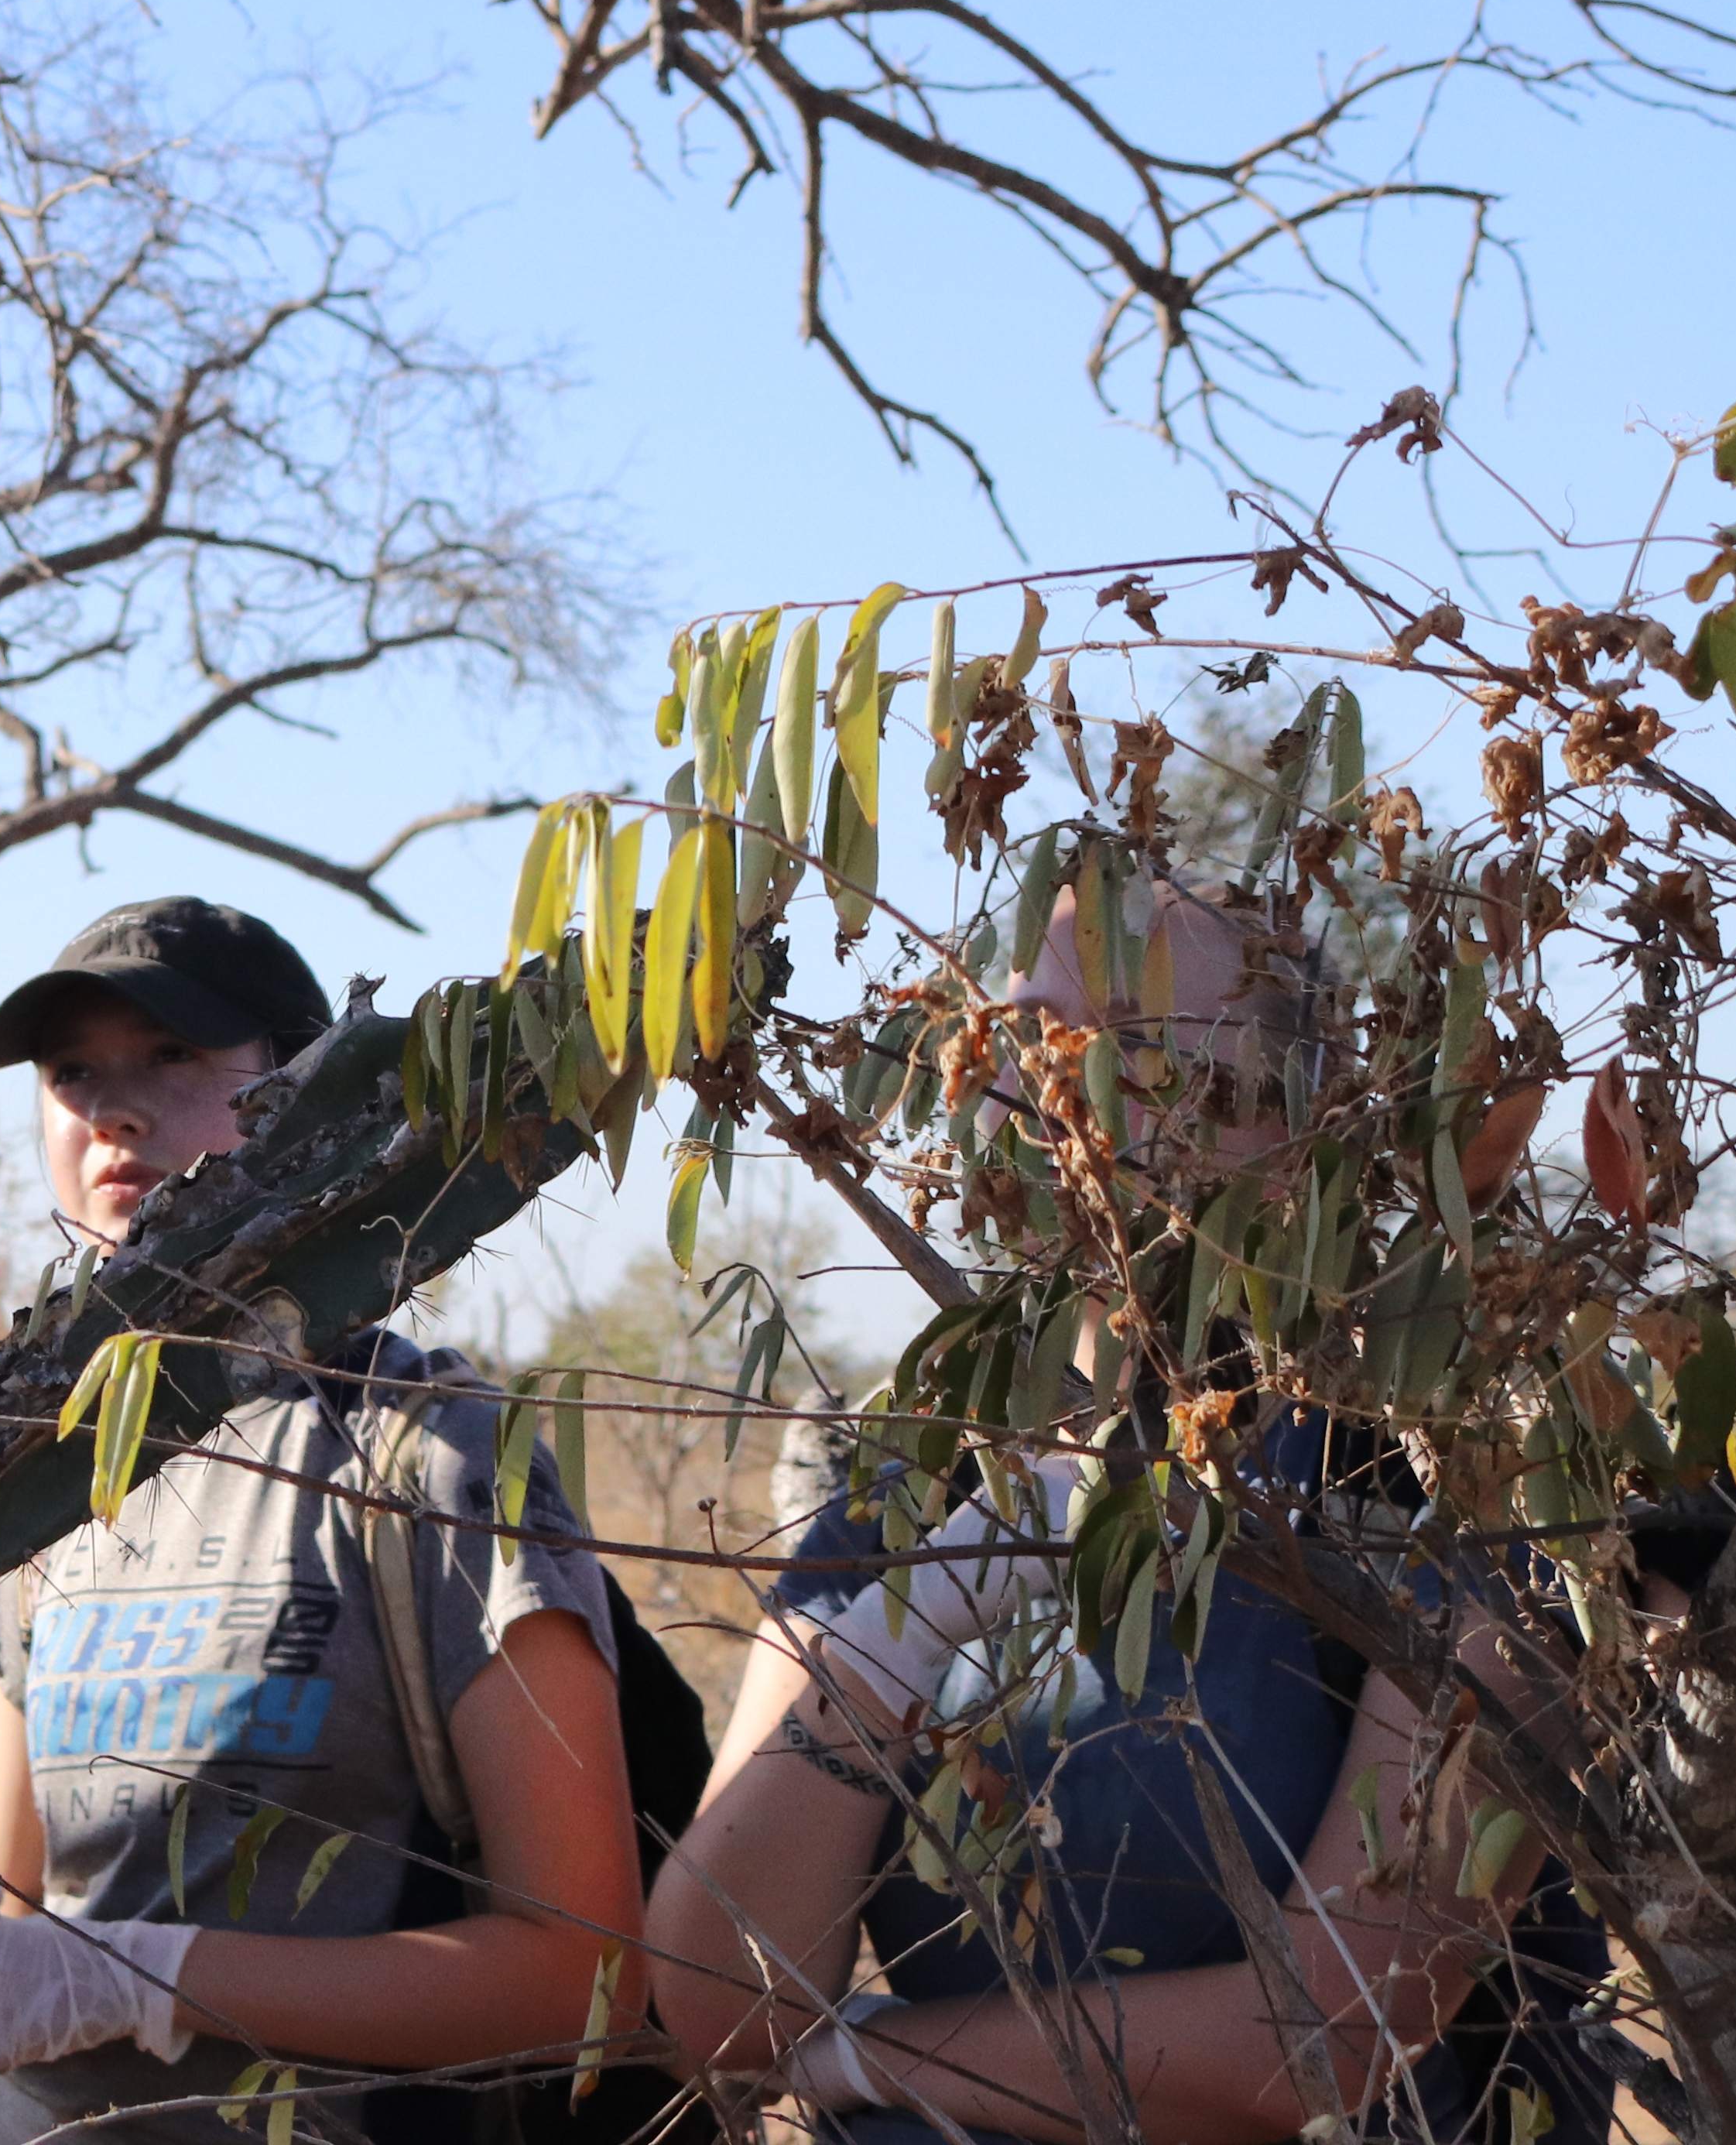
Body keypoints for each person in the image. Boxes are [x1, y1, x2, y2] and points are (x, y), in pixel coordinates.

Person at [645, 883, 1595, 2143]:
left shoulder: (1439, 1472)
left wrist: (862, 2057)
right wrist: (892, 1640)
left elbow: (1332, 2036)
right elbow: (719, 2000)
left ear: (1298, 1126)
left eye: (1130, 1050)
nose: (1049, 1089)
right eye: (1027, 1032)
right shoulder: (919, 1476)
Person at [0, 899, 649, 2144]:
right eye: (74, 1071)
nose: (110, 1111)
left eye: (173, 1056)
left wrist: (144, 1975)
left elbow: (583, 1983)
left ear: (301, 1097)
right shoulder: (46, 1470)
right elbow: (24, 1907)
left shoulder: (421, 1450)